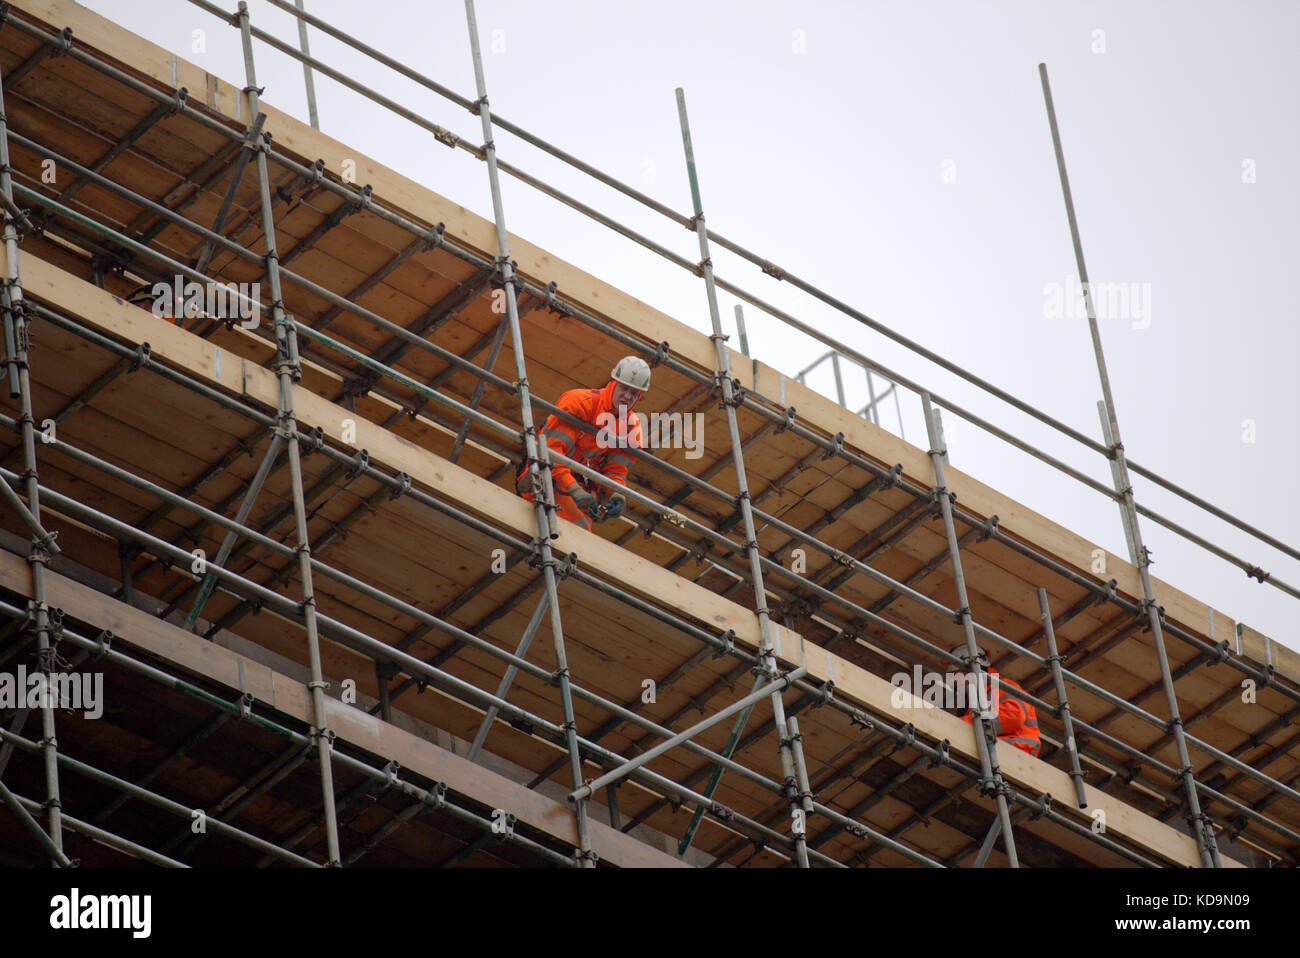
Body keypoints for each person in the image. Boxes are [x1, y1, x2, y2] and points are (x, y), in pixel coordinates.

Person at [516, 356, 649, 530]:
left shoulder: (631, 427)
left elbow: (615, 470)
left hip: (579, 491)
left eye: (634, 393)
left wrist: (616, 493)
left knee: (580, 530)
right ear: (613, 382)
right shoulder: (580, 402)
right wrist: (572, 488)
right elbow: (550, 451)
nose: (627, 396)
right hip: (546, 478)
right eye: (624, 388)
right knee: (578, 528)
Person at [943, 645, 1040, 757]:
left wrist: (961, 725)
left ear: (972, 669)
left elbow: (1013, 717)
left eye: (957, 675)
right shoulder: (976, 699)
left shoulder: (1002, 687)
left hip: (1017, 750)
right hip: (997, 750)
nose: (955, 682)